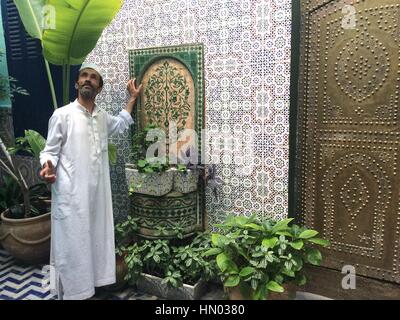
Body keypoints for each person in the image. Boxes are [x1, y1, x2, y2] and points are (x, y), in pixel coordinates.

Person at [39, 63, 142, 300]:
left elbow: (121, 122)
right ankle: (72, 292)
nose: (88, 79)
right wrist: (47, 166)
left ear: (99, 87)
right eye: (84, 76)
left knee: (93, 240)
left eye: (93, 77)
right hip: (71, 195)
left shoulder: (101, 116)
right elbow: (49, 151)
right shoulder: (62, 115)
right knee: (72, 245)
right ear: (77, 83)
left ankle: (89, 289)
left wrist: (132, 98)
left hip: (97, 197)